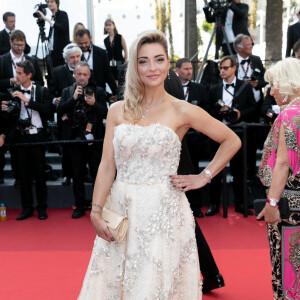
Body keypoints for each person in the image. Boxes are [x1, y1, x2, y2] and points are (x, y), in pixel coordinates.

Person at [78, 30, 241, 299]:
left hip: (162, 211)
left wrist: (204, 176)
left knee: (152, 284)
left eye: (159, 59)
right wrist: (96, 211)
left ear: (168, 64)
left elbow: (231, 140)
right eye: (143, 61)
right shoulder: (117, 110)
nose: (152, 67)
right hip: (121, 207)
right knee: (114, 282)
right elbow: (107, 165)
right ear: (134, 66)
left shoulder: (181, 109)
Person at [257, 57, 300, 300]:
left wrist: (272, 203)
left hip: (289, 203)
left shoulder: (289, 115)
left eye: (273, 85)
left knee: (288, 264)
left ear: (286, 84)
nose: (271, 92)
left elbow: (283, 163)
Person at [1, 60, 52, 220]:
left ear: (29, 75)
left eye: (20, 73)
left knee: (40, 174)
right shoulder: (12, 91)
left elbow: (49, 110)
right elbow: (8, 118)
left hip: (37, 136)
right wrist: (5, 109)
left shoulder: (41, 91)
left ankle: (42, 208)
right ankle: (27, 208)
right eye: (16, 72)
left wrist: (27, 100)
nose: (16, 76)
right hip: (19, 137)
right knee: (23, 175)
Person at [207, 55, 256, 215]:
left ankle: (241, 204)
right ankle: (214, 205)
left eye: (225, 67)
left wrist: (239, 113)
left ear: (234, 68)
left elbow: (253, 109)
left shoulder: (245, 87)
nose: (222, 70)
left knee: (239, 171)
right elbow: (207, 112)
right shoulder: (214, 89)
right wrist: (218, 111)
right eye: (220, 68)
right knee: (215, 171)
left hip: (238, 134)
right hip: (218, 135)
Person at [57, 62, 107, 218]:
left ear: (89, 75)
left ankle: (97, 208)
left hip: (94, 140)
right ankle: (79, 207)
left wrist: (94, 103)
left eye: (85, 74)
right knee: (77, 175)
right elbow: (59, 111)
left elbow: (106, 113)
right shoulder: (67, 91)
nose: (82, 77)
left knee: (96, 175)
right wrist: (73, 99)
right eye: (79, 74)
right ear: (74, 74)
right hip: (75, 140)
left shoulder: (98, 91)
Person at [175, 58, 210, 217]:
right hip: (176, 137)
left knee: (194, 170)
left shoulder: (200, 89)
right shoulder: (169, 89)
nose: (189, 71)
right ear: (177, 70)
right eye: (186, 69)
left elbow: (206, 112)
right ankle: (178, 206)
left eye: (190, 69)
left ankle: (195, 206)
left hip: (194, 138)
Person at [233, 33, 267, 180]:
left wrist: (257, 83)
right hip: (239, 107)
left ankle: (252, 175)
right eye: (248, 45)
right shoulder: (231, 60)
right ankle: (238, 174)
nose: (251, 47)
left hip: (256, 107)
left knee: (252, 143)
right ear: (239, 48)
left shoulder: (256, 60)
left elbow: (265, 79)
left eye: (251, 44)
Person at [48, 43, 82, 186]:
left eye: (77, 56)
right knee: (66, 147)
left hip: (82, 115)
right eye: (72, 57)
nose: (75, 60)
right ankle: (67, 175)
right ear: (66, 59)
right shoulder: (57, 72)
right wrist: (54, 99)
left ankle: (81, 173)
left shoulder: (86, 70)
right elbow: (50, 92)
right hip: (64, 116)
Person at [75, 28, 118, 101]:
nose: (84, 45)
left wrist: (116, 93)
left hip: (99, 93)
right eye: (81, 43)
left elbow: (108, 74)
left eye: (86, 42)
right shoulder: (75, 55)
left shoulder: (101, 53)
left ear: (90, 38)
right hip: (80, 94)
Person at [35, 0, 70, 67]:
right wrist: (46, 38)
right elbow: (55, 35)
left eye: (51, 2)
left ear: (57, 3)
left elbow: (62, 28)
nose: (49, 4)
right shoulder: (52, 17)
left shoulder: (63, 14)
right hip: (52, 53)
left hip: (61, 54)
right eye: (48, 2)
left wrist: (46, 18)